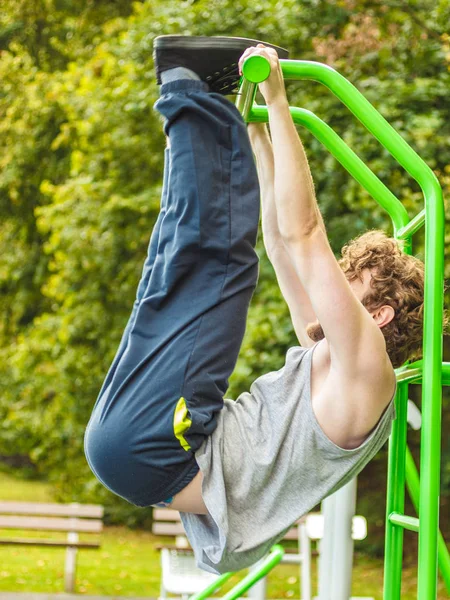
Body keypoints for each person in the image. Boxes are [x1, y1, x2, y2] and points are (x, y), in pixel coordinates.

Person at [84, 36, 425, 574]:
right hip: (144, 443)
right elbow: (279, 239)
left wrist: (279, 99)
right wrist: (258, 137)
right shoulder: (324, 349)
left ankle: (186, 88)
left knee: (221, 266)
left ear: (379, 313)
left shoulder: (367, 371)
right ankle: (188, 94)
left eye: (352, 277)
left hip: (157, 451)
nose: (336, 280)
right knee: (174, 263)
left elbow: (305, 231)